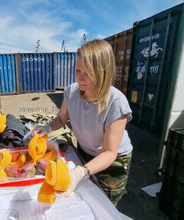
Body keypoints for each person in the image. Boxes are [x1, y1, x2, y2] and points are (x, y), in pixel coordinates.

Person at [33, 39, 133, 206]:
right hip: (85, 151)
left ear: (103, 72)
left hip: (113, 162)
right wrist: (48, 127)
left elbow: (109, 152)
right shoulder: (72, 92)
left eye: (87, 73)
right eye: (78, 70)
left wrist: (81, 171)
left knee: (104, 204)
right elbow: (61, 118)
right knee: (82, 198)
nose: (80, 78)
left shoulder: (116, 102)